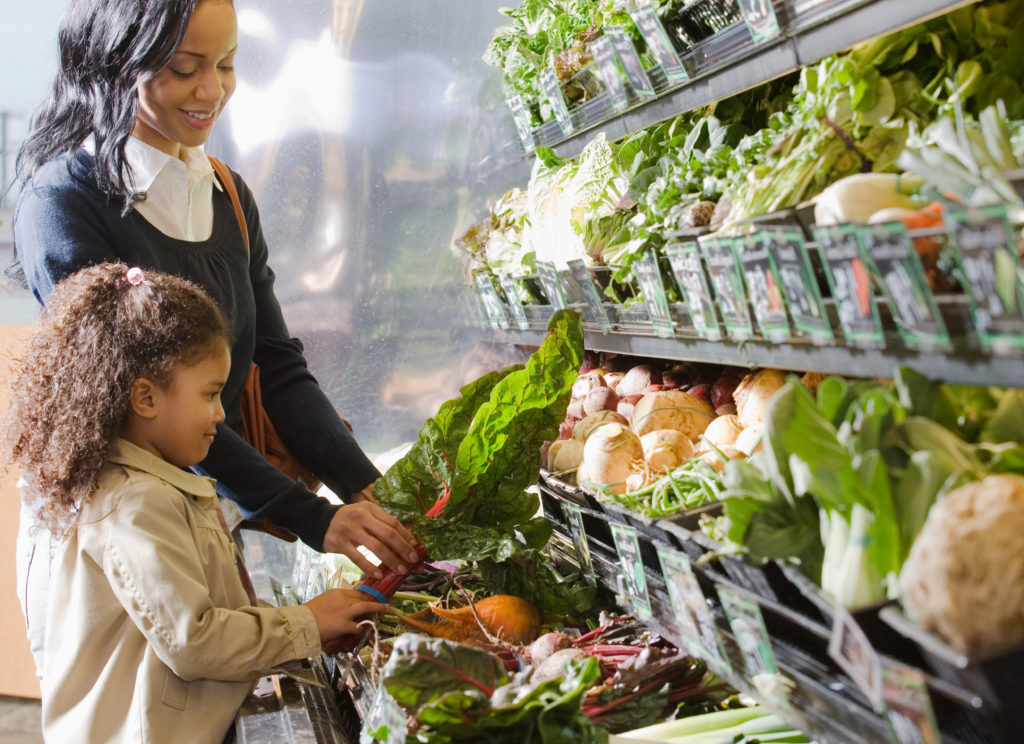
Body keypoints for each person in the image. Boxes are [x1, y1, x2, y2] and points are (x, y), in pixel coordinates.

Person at [11, 0, 419, 673]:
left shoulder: (226, 193)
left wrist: (368, 495)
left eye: (227, 65)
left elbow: (279, 367)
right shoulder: (65, 201)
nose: (212, 91)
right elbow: (150, 401)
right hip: (120, 534)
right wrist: (314, 520)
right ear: (118, 64)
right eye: (184, 69)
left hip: (205, 518)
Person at [1, 263, 388, 743]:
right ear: (145, 398)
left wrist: (297, 627)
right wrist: (306, 622)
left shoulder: (103, 484)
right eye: (209, 395)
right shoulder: (134, 506)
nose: (221, 414)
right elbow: (193, 640)